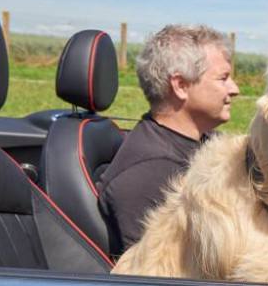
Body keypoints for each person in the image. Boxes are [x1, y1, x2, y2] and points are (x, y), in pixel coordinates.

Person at [98, 24, 240, 252]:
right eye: (223, 78)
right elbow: (158, 274)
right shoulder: (147, 175)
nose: (234, 89)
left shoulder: (202, 142)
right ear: (181, 85)